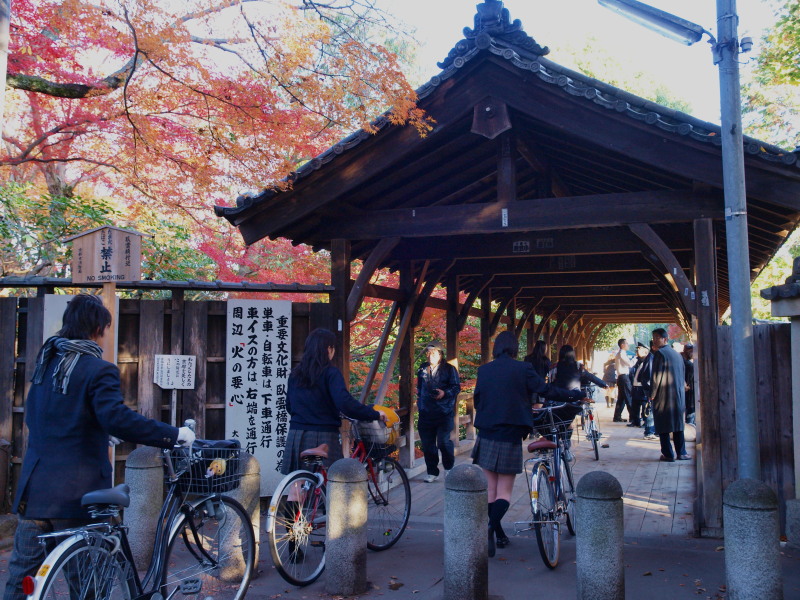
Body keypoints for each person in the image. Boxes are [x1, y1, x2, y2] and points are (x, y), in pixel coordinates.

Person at [5, 294, 196, 600]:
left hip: (36, 489)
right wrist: (173, 435)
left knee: (19, 580)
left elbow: (40, 418)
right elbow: (118, 419)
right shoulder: (97, 369)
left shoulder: (45, 365)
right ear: (96, 328)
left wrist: (93, 430)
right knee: (88, 586)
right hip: (76, 493)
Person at [472, 331, 584, 558]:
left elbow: (477, 399)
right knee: (504, 491)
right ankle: (490, 528)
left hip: (486, 433)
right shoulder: (522, 369)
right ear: (514, 348)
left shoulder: (484, 370)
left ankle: (492, 530)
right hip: (510, 433)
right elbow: (546, 390)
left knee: (491, 490)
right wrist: (572, 396)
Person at [282, 328, 386, 476]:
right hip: (323, 435)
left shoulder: (296, 374)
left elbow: (289, 406)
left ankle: (293, 500)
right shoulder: (331, 373)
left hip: (296, 433)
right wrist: (374, 414)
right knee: (334, 481)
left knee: (298, 481)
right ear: (329, 349)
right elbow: (345, 403)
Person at [546, 344, 607, 460]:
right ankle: (567, 447)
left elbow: (551, 380)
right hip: (574, 398)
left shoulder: (554, 367)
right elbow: (590, 377)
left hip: (557, 398)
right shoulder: (578, 366)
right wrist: (604, 384)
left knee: (557, 421)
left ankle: (558, 445)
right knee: (569, 423)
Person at [416, 341, 461, 483]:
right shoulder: (423, 368)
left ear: (441, 355)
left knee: (443, 442)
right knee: (428, 444)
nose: (430, 356)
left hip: (444, 411)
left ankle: (448, 468)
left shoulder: (449, 369)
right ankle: (432, 472)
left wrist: (444, 393)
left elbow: (456, 387)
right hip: (426, 411)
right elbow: (419, 387)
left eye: (434, 353)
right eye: (428, 353)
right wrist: (420, 400)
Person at [650, 328, 689, 462]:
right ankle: (682, 452)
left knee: (663, 425)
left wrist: (652, 394)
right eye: (654, 337)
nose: (654, 340)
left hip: (663, 395)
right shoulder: (677, 354)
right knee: (678, 425)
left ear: (665, 339)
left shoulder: (660, 354)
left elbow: (656, 377)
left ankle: (668, 454)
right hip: (678, 395)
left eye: (657, 337)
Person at [628, 342, 650, 427]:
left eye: (639, 349)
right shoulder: (637, 361)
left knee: (644, 406)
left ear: (645, 351)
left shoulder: (646, 361)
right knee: (635, 405)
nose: (637, 351)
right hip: (635, 386)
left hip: (642, 386)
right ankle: (635, 421)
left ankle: (645, 421)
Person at [613, 338, 633, 422]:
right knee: (628, 397)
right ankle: (633, 417)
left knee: (621, 399)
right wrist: (634, 360)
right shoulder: (622, 353)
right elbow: (629, 364)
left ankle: (617, 416)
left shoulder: (618, 353)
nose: (628, 345)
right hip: (624, 377)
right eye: (627, 343)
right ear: (622, 345)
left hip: (620, 377)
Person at [682, 343, 696, 425]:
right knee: (691, 412)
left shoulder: (682, 360)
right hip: (689, 391)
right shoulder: (689, 364)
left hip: (687, 391)